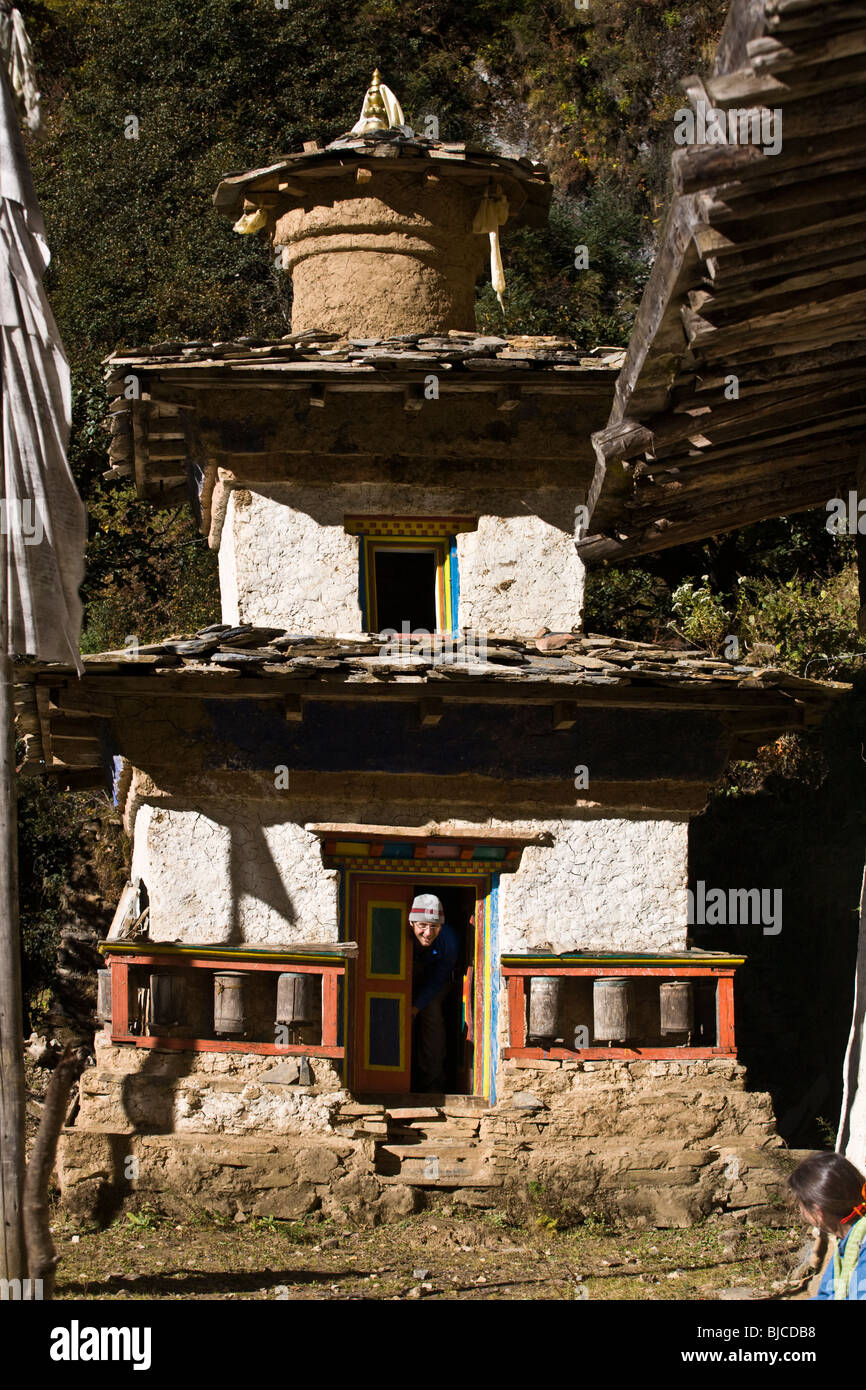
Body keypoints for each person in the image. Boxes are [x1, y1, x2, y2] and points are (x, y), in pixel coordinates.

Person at [788, 1152, 866, 1300]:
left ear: (818, 1213)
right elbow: (827, 1295)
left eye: (801, 1205)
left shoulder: (861, 1244)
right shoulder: (846, 1242)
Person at [408, 893, 458, 1093]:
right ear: (411, 923)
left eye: (434, 927)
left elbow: (438, 978)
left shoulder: (449, 942)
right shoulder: (394, 929)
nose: (428, 933)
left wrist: (416, 1007)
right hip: (400, 977)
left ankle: (432, 1082)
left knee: (431, 1016)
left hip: (434, 981)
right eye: (422, 926)